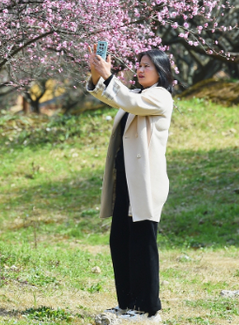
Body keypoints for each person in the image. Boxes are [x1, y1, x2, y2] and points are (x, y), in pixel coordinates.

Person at [86, 46, 175, 323]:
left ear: (160, 71)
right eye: (138, 64)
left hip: (145, 183)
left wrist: (108, 76)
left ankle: (149, 310)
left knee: (141, 244)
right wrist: (96, 74)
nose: (139, 69)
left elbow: (125, 99)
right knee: (121, 242)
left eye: (147, 65)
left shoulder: (160, 96)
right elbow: (114, 96)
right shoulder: (136, 94)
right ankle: (127, 305)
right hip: (125, 180)